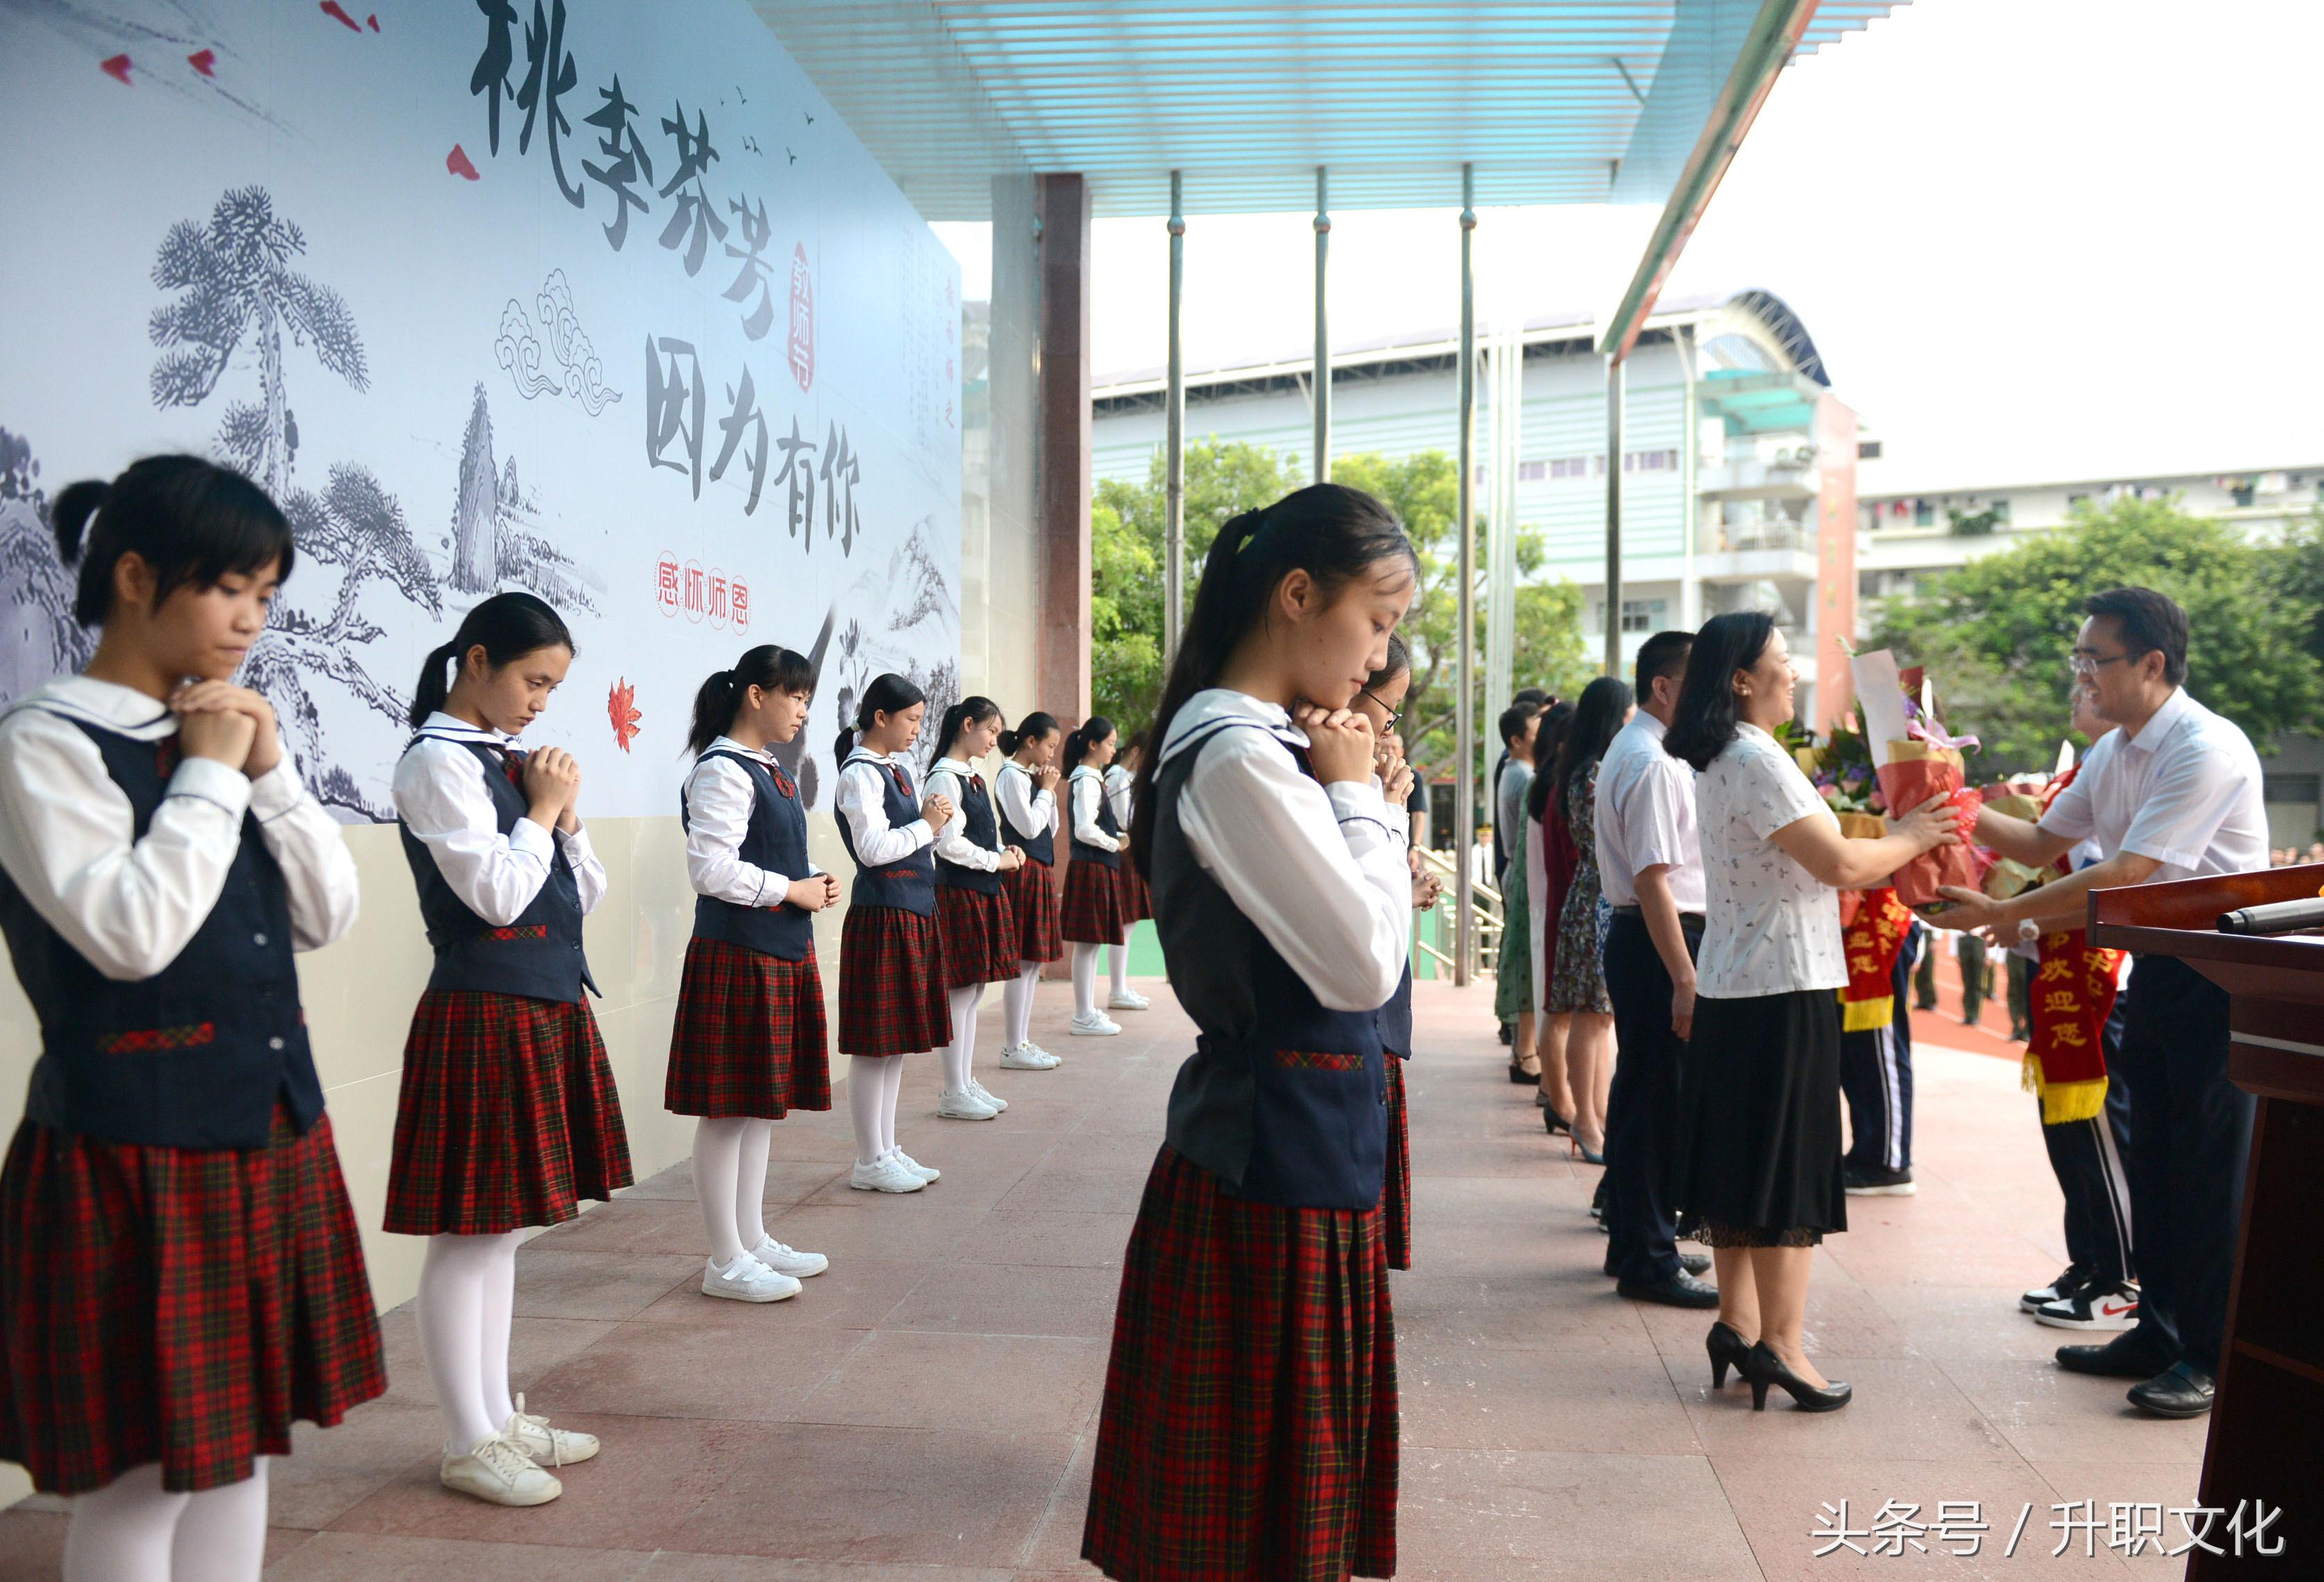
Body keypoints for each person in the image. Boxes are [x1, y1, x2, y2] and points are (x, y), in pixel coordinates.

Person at [0, 456, 385, 1578]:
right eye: (230, 588)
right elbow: (129, 933)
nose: (250, 621)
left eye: (267, 595)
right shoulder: (44, 741)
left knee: (238, 1450)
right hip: (132, 1147)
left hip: (265, 1124)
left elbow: (328, 913)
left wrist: (268, 773)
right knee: (136, 1479)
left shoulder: (221, 734)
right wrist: (213, 776)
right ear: (135, 576)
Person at [1082, 482, 1413, 1581]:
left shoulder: (1263, 744)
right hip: (1271, 1159)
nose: (1377, 655)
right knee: (1249, 1525)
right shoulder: (1234, 754)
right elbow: (1365, 961)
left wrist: (1354, 791)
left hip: (1292, 1149)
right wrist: (1363, 799)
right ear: (1295, 592)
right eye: (1376, 620)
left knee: (1257, 1512)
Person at [1929, 588, 2265, 1418]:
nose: (2082, 675)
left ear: (2151, 665)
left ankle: (2210, 1354)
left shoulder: (2205, 746)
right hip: (2160, 968)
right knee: (2153, 1155)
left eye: (2094, 661)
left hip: (2227, 979)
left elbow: (2127, 874)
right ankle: (2156, 1328)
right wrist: (1946, 804)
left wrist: (2007, 914)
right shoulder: (2115, 751)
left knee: (2210, 1170)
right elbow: (2042, 840)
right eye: (2078, 660)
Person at [1664, 612, 1960, 1414]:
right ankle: (1783, 1348)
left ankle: (1738, 1324)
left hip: (1735, 986)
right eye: (1781, 664)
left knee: (1739, 1169)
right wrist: (1913, 832)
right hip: (1782, 987)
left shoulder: (1725, 757)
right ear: (1741, 681)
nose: (1792, 676)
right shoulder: (1758, 759)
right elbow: (1841, 862)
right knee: (1785, 1177)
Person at [389, 591, 628, 1505]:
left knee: (505, 1231)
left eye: (552, 688)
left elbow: (584, 892)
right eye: (533, 680)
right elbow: (494, 895)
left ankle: (494, 1417)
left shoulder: (508, 760)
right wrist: (542, 811)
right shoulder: (433, 761)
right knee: (470, 1232)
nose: (539, 702)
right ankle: (464, 1438)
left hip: (539, 999)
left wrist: (563, 817)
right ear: (477, 660)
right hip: (482, 1006)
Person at [669, 645, 835, 1304]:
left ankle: (752, 1238)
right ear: (756, 695)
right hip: (737, 952)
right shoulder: (721, 769)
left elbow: (762, 858)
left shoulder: (766, 766)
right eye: (794, 696)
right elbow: (709, 869)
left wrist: (807, 883)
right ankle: (724, 1258)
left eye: (807, 699)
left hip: (774, 950)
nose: (801, 711)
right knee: (727, 1110)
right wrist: (790, 890)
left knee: (758, 1107)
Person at [1595, 631, 1717, 1308]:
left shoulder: (1645, 750)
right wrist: (1686, 978)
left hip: (1652, 939)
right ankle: (1646, 1255)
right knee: (1654, 1102)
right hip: (1659, 940)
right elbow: (1652, 880)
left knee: (1644, 1095)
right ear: (1664, 688)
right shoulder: (1650, 760)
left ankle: (1637, 1240)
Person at [832, 673, 957, 1195]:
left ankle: (885, 1148)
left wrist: (937, 823)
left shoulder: (898, 768)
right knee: (874, 1045)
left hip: (911, 910)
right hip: (882, 913)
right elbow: (872, 849)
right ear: (879, 717)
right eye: (909, 720)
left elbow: (915, 841)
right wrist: (926, 826)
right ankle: (868, 1157)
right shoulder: (858, 773)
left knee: (896, 1044)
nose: (915, 731)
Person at [1353, 634, 1428, 1270]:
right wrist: (1387, 811)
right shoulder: (1330, 778)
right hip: (1354, 1009)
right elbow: (1372, 934)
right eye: (1391, 707)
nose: (1386, 727)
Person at [1538, 677, 1629, 1164]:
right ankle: (1586, 1120)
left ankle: (1594, 1116)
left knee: (1597, 1016)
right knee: (1591, 1017)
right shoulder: (1595, 771)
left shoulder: (1581, 768)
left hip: (1590, 894)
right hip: (1598, 896)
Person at [924, 697, 1027, 1121]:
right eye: (990, 731)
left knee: (976, 989)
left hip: (981, 889)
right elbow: (948, 844)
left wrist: (1005, 851)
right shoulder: (945, 777)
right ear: (967, 725)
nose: (994, 741)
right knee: (961, 991)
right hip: (960, 892)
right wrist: (995, 860)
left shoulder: (973, 776)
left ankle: (964, 1082)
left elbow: (982, 836)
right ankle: (953, 1089)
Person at [994, 714, 1064, 1069]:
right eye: (1050, 745)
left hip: (1038, 869)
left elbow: (1049, 829)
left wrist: (1046, 792)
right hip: (1020, 870)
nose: (1052, 754)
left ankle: (1021, 1039)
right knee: (1023, 960)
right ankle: (1012, 1046)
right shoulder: (1010, 775)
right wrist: (1047, 792)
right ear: (1031, 741)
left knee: (1033, 961)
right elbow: (1028, 825)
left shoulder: (1030, 778)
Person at [1061, 716, 1130, 1037]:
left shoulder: (1091, 777)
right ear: (1093, 744)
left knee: (1092, 943)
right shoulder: (1087, 779)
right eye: (1111, 743)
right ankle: (1083, 1014)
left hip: (1096, 865)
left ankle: (1087, 1010)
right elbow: (1084, 828)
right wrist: (1114, 842)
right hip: (1091, 865)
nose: (1114, 750)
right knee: (1087, 943)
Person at [1493, 704, 1542, 1085]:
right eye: (1536, 730)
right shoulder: (1525, 777)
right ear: (1516, 740)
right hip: (1521, 873)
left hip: (1514, 869)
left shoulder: (1512, 771)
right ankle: (1525, 1052)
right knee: (1525, 961)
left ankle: (1522, 1049)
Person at [1103, 734, 1153, 1012]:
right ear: (1136, 751)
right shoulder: (1118, 777)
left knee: (1128, 923)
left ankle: (1120, 986)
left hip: (1127, 850)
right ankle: (1117, 989)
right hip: (1121, 850)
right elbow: (1124, 819)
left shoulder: (1125, 777)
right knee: (1124, 923)